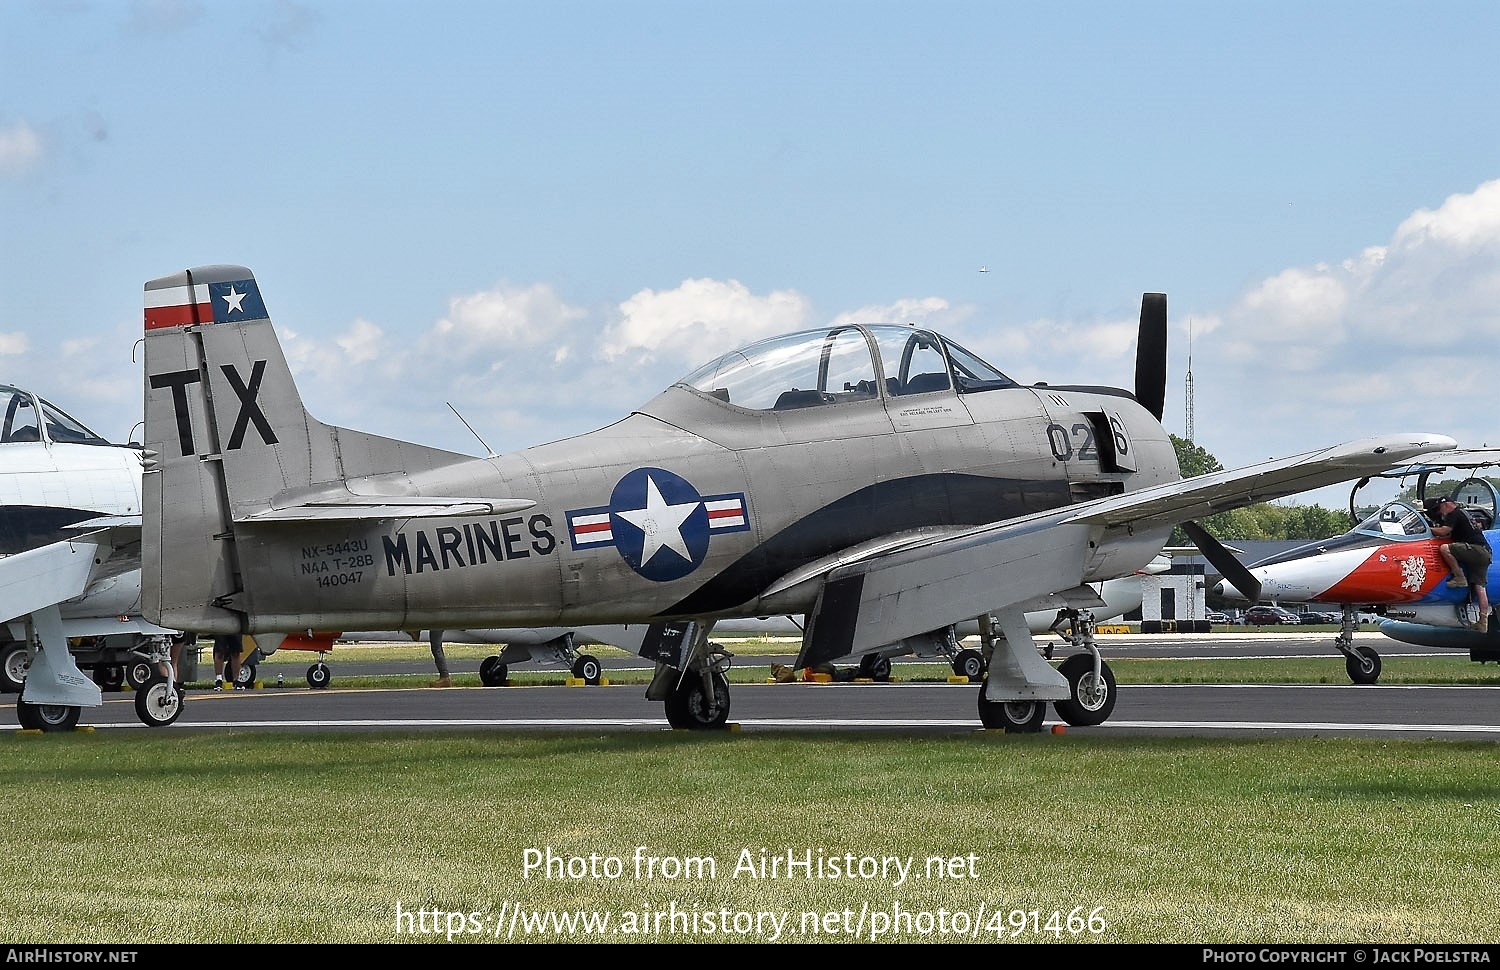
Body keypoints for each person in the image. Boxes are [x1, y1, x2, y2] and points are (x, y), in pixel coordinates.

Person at [1432, 495, 1492, 633]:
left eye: (1440, 509)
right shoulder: (1464, 513)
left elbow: (1444, 531)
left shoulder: (1454, 513)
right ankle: (1483, 622)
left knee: (1445, 548)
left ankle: (1459, 577)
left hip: (1474, 549)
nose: (1441, 513)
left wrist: (1429, 529)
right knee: (1480, 588)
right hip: (1485, 553)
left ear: (1446, 505)